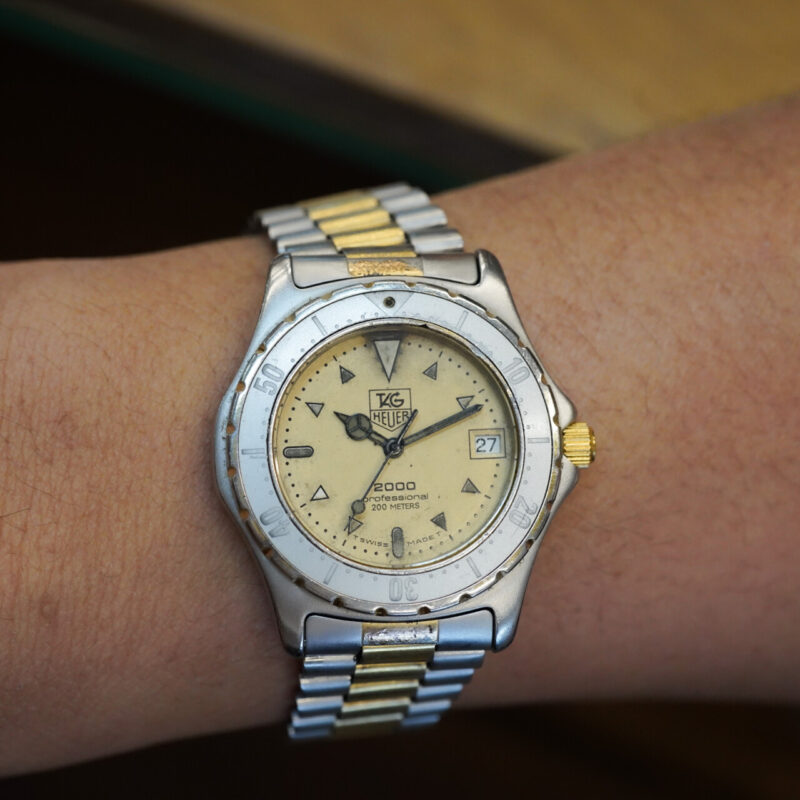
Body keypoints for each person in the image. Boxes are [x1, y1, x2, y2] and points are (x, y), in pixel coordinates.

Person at [1, 94, 798, 776]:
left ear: (564, 449)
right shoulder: (322, 299)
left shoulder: (504, 411)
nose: (390, 448)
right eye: (383, 439)